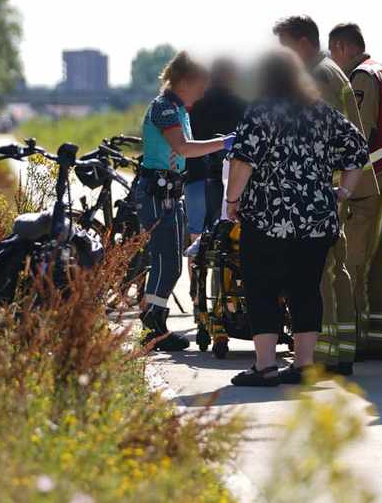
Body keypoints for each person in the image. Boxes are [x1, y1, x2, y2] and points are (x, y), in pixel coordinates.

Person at [225, 47, 368, 386]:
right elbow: (358, 149)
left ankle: (265, 365)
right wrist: (343, 192)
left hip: (267, 217)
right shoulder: (321, 112)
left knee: (262, 288)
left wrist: (233, 200)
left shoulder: (260, 112)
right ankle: (303, 365)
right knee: (306, 288)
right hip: (316, 218)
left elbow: (243, 161)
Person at [272, 14, 367, 373]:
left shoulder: (318, 77)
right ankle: (340, 349)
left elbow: (321, 136)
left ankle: (322, 354)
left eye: (284, 46)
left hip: (326, 187)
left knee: (317, 272)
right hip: (338, 184)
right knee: (335, 267)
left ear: (302, 42)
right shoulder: (331, 69)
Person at [328, 22, 382, 360]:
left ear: (342, 47)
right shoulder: (381, 72)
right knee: (377, 262)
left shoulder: (362, 77)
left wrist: (337, 170)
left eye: (334, 52)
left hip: (374, 179)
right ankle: (378, 336)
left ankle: (354, 338)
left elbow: (359, 131)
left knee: (356, 259)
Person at [135, 51, 231, 352]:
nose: (204, 90)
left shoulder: (179, 109)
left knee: (173, 262)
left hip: (170, 191)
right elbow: (184, 148)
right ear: (186, 80)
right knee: (167, 262)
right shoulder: (164, 108)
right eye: (201, 83)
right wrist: (225, 142)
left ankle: (156, 324)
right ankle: (153, 329)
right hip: (157, 193)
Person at [183, 57, 247, 240]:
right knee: (231, 238)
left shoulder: (195, 102)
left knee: (197, 239)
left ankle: (196, 268)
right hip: (234, 179)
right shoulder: (243, 104)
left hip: (196, 175)